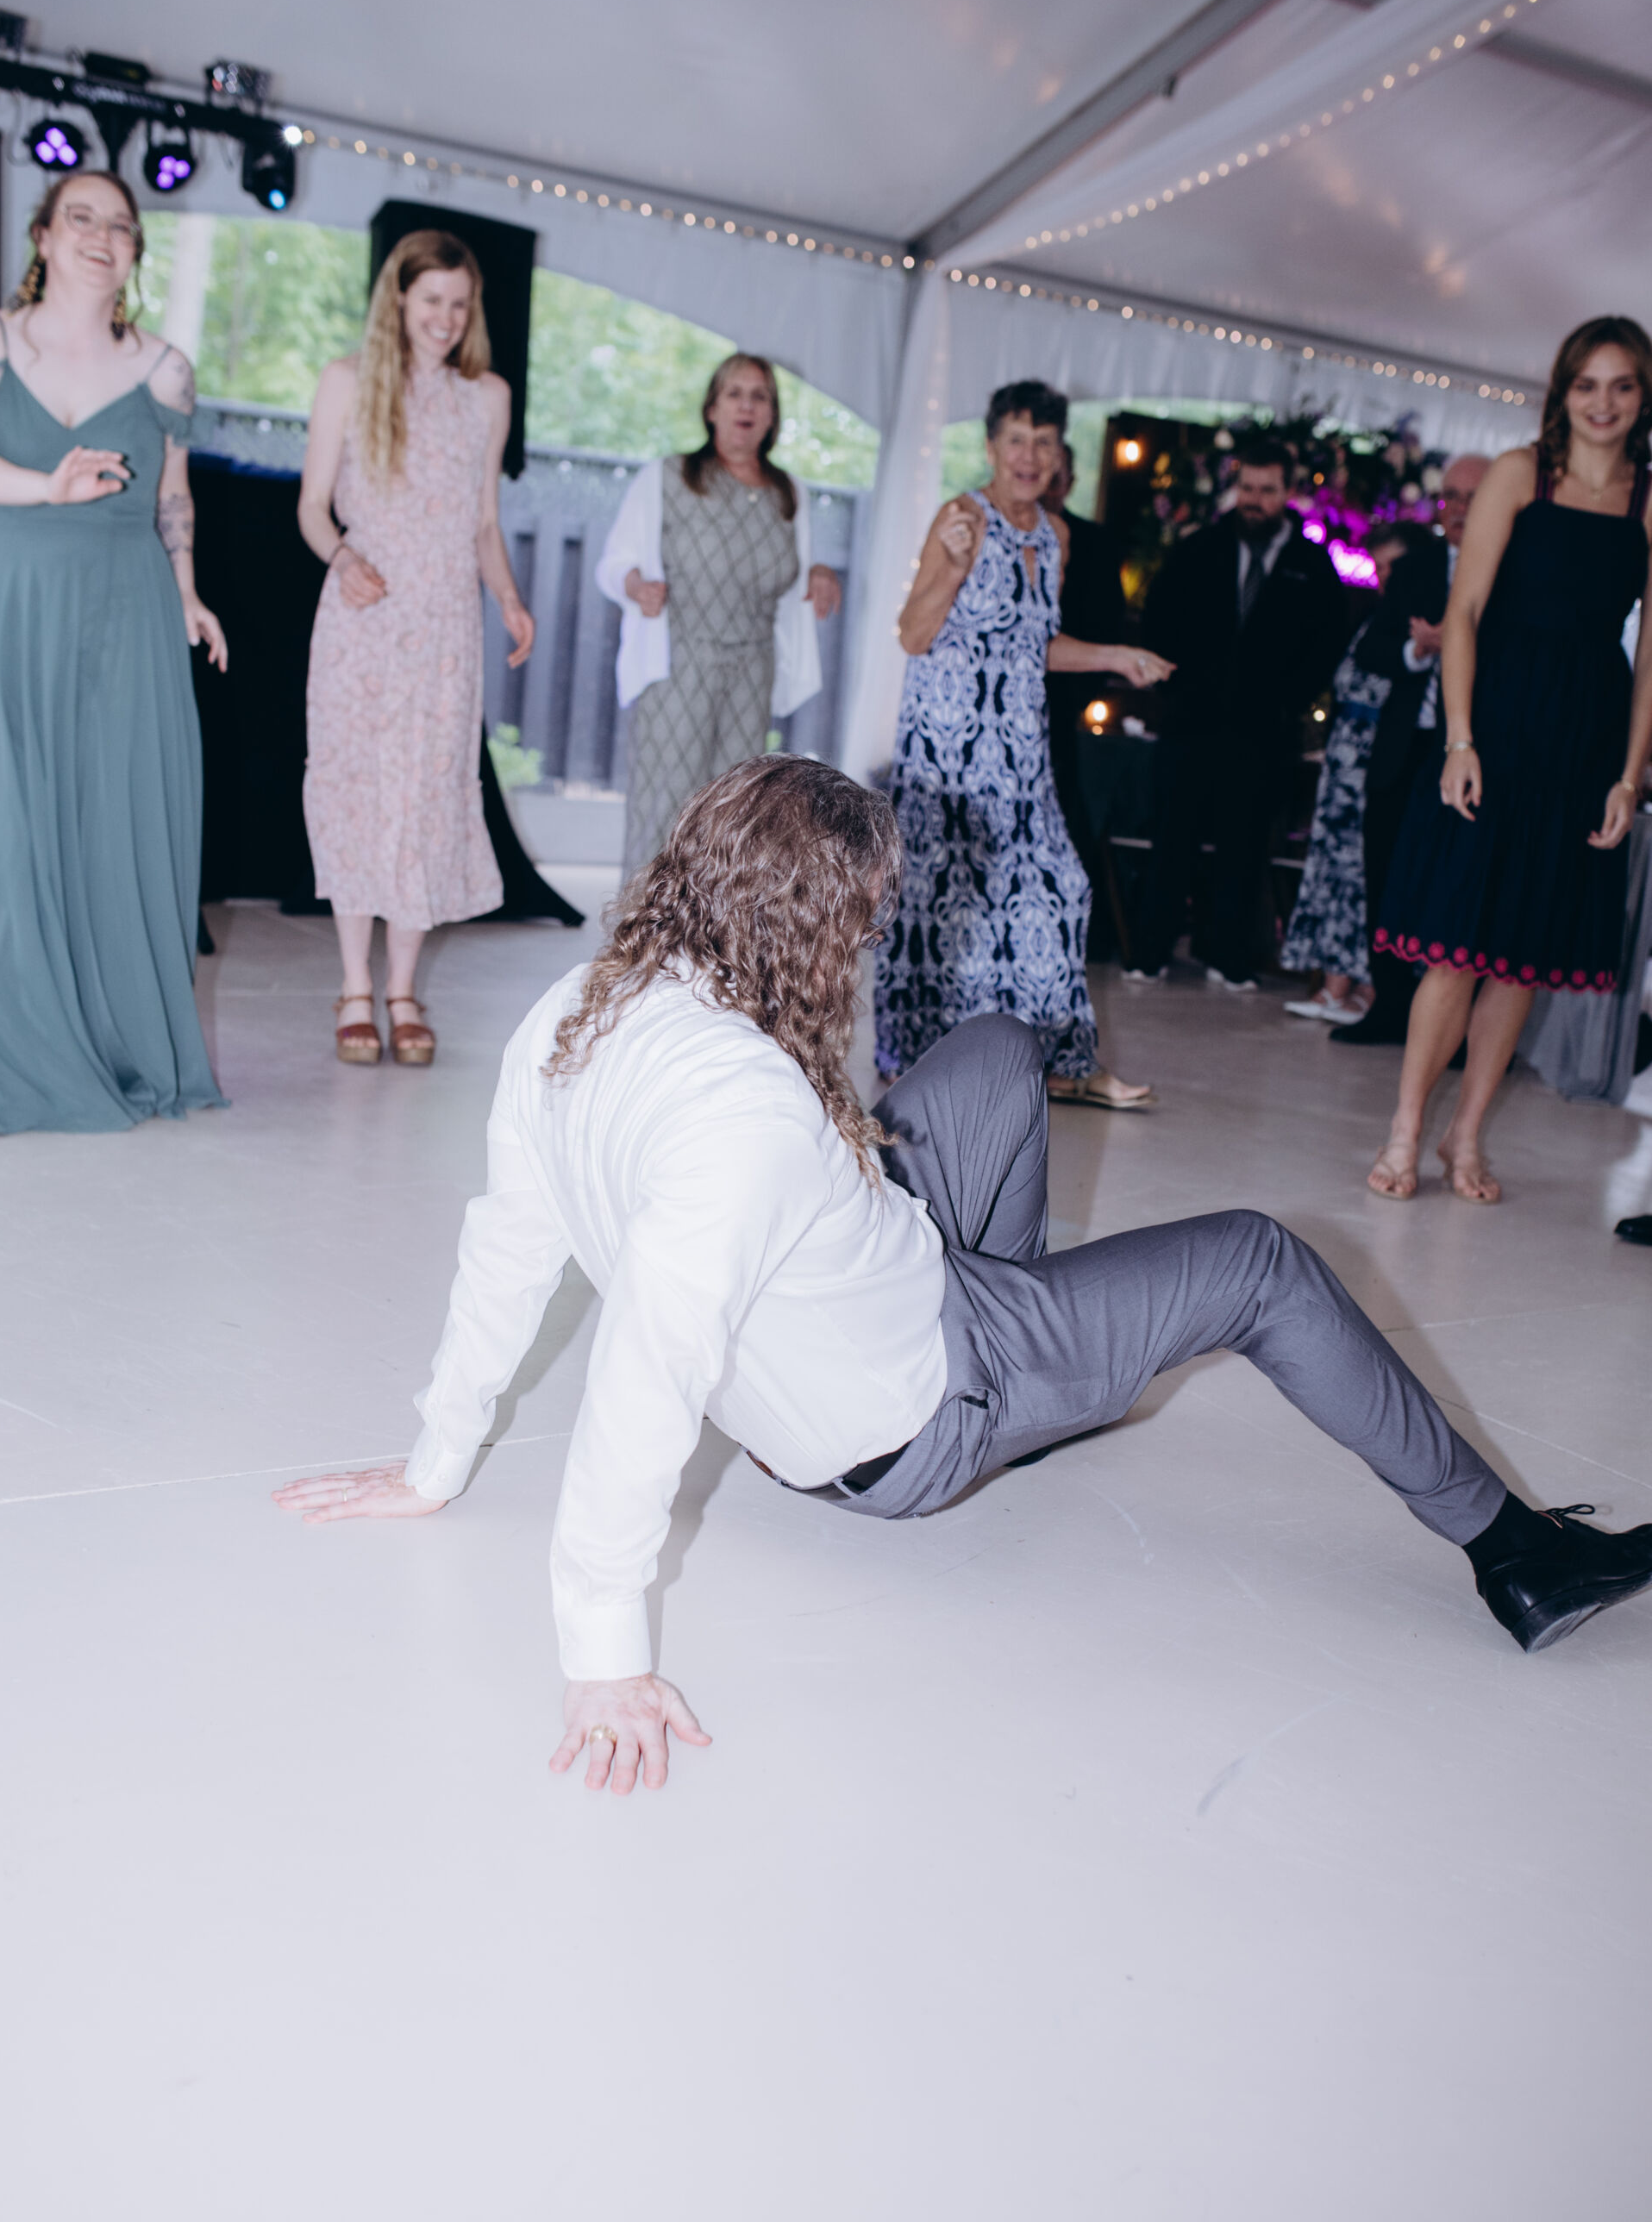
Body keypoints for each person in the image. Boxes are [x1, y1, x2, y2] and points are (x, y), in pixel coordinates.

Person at [274, 755, 1652, 1793]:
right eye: (864, 922)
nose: (870, 942)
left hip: (865, 1317)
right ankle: (1516, 1556)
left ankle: (1050, 1367)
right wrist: (601, 1655)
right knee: (1261, 1258)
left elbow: (510, 1239)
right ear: (812, 929)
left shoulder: (572, 1007)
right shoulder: (751, 1119)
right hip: (925, 1412)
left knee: (996, 1047)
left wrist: (437, 1460)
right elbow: (644, 1367)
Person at [1368, 320, 1652, 1204]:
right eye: (1587, 384)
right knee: (1456, 945)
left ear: (1643, 397)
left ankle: (1466, 1136)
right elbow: (1464, 612)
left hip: (1586, 736)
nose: (1603, 403)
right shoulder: (1519, 474)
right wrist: (1460, 738)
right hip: (1496, 721)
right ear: (1563, 390)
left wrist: (1630, 774)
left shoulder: (1648, 498)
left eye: (1623, 385)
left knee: (1521, 954)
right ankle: (1405, 1130)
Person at [0, 170, 227, 1136]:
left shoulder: (165, 368)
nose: (102, 235)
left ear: (134, 251)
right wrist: (46, 489)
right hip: (14, 602)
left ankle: (115, 1036)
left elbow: (174, 494)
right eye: (81, 218)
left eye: (121, 226)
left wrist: (187, 593)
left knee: (110, 819)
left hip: (126, 610)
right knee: (13, 825)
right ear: (43, 236)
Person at [875, 380, 1169, 1105]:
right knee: (941, 900)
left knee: (1059, 888)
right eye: (1016, 440)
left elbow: (1031, 642)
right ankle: (914, 1057)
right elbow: (913, 634)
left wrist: (1116, 656)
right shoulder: (962, 516)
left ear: (1060, 454)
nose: (1029, 456)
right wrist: (951, 567)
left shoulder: (1055, 535)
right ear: (991, 446)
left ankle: (1060, 1063)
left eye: (1043, 442)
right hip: (948, 749)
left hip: (1019, 747)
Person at [299, 228, 535, 1069]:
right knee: (359, 792)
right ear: (398, 297)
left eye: (460, 304)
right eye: (431, 299)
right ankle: (353, 988)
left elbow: (483, 523)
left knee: (426, 797)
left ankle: (402, 990)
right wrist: (343, 558)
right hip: (363, 618)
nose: (445, 317)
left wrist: (509, 598)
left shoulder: (487, 397)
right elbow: (312, 508)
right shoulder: (347, 381)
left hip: (444, 627)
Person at [595, 352, 841, 882]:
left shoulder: (790, 493)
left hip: (753, 670)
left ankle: (711, 933)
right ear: (712, 409)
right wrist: (635, 585)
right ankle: (638, 929)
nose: (746, 406)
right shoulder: (668, 477)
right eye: (734, 394)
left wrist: (819, 570)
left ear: (772, 415)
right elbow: (613, 563)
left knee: (732, 819)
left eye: (759, 397)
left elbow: (796, 570)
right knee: (663, 808)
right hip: (678, 664)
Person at [1131, 433, 1352, 991]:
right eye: (1248, 488)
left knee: (1246, 846)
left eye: (1267, 490)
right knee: (1172, 839)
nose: (1255, 501)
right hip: (1190, 723)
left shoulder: (1312, 565)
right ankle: (1150, 951)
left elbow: (1328, 645)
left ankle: (1228, 954)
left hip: (1263, 732)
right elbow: (1158, 620)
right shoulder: (1197, 548)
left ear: (1288, 493)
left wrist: (1289, 702)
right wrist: (1175, 690)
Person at [1330, 460, 1492, 1048]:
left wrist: (1465, 642)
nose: (1461, 509)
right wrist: (1418, 649)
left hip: (1476, 751)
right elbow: (1372, 648)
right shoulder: (1417, 567)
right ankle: (1389, 1006)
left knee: (1464, 886)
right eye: (1450, 497)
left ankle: (1459, 1030)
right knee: (1387, 876)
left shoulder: (1511, 569)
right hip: (1407, 747)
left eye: (1473, 497)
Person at [1279, 524, 1415, 1023]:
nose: (1385, 577)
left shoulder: (1420, 620)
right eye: (1379, 566)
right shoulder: (1371, 616)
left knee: (1369, 872)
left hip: (1382, 759)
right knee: (1335, 869)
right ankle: (1334, 982)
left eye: (1394, 566)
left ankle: (1369, 986)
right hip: (1345, 759)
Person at [1039, 438, 1134, 934]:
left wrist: (1080, 696)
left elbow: (1106, 623)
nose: (1047, 486)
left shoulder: (1093, 543)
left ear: (1071, 483)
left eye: (1057, 477)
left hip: (1063, 702)